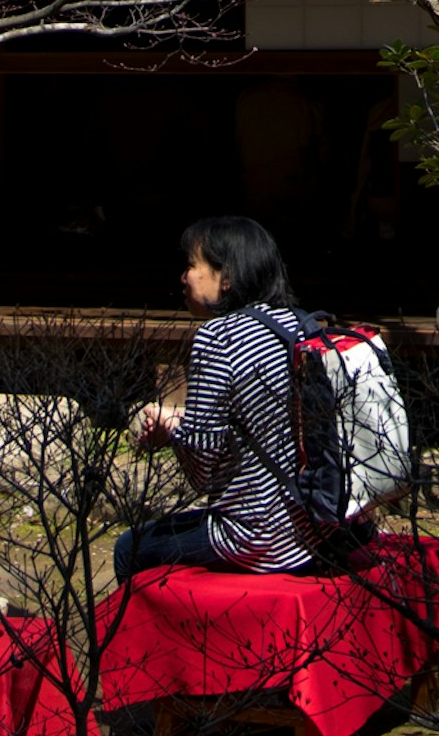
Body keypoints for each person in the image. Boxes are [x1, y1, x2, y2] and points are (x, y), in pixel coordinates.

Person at [116, 214, 329, 580]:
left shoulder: (219, 337)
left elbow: (203, 471)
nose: (184, 277)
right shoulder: (298, 323)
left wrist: (170, 433)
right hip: (317, 525)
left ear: (226, 277)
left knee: (127, 548)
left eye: (192, 265)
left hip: (261, 538)